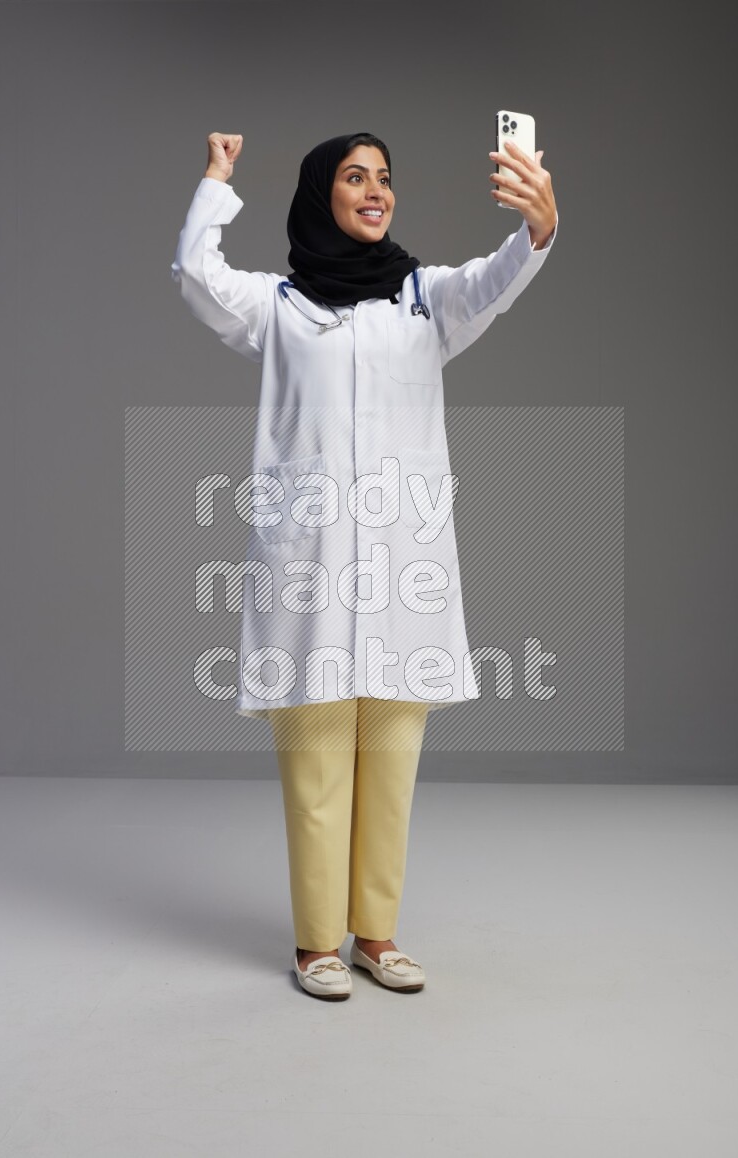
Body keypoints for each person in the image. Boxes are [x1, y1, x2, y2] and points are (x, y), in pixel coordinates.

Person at [171, 129, 557, 1000]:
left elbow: (496, 280)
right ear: (323, 195)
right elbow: (196, 274)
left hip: (401, 573)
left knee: (391, 767)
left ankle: (376, 935)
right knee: (315, 768)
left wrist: (537, 227)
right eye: (355, 177)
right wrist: (218, 179)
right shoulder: (278, 307)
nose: (376, 190)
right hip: (309, 572)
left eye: (385, 177)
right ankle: (317, 944)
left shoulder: (425, 299)